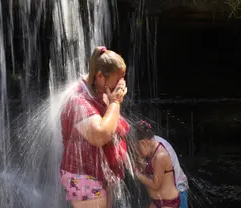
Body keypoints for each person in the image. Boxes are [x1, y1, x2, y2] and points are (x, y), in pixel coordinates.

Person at [60, 46, 129, 208]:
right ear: (99, 76)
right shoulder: (77, 99)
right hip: (84, 175)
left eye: (122, 79)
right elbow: (100, 135)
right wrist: (115, 102)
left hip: (98, 172)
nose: (120, 85)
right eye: (116, 81)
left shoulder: (98, 91)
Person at [134, 120, 180, 208]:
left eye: (138, 149)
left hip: (168, 203)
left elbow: (156, 185)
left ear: (143, 143)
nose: (137, 152)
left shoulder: (160, 156)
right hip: (156, 201)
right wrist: (141, 164)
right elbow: (152, 171)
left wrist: (138, 174)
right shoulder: (153, 153)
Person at [154, 135, 189, 208]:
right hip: (173, 191)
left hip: (176, 194)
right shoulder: (153, 142)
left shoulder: (158, 152)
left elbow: (156, 182)